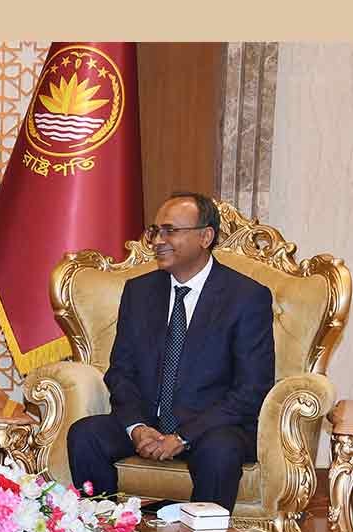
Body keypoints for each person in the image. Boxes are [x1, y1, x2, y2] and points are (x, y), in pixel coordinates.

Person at [66, 192, 275, 511]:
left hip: (213, 428)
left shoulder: (246, 297)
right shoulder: (140, 291)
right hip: (149, 423)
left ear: (205, 236)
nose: (157, 241)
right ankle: (103, 531)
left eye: (170, 231)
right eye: (154, 231)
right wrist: (136, 428)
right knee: (86, 435)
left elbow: (251, 390)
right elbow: (121, 371)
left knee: (220, 451)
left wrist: (182, 437)